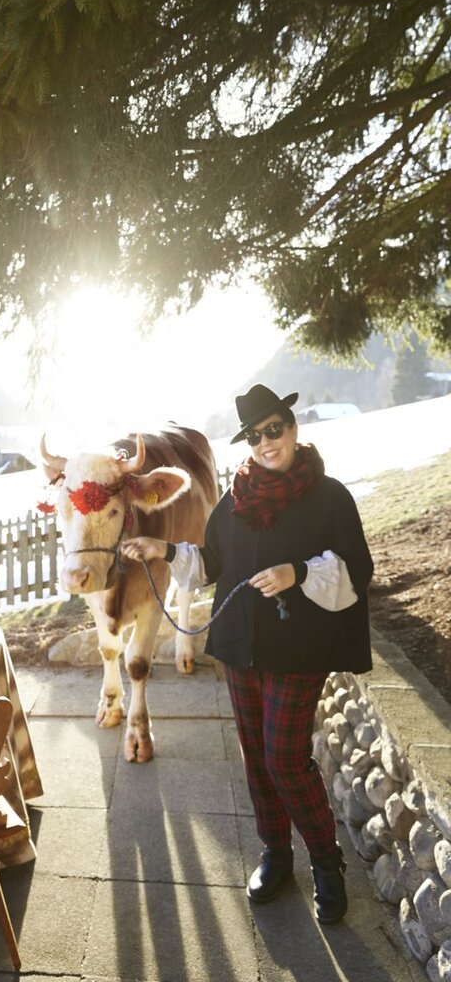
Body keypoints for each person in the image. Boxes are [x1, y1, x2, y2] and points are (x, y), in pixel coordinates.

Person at [122, 383, 373, 924]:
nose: (266, 443)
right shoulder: (235, 501)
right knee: (255, 756)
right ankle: (275, 853)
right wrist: (160, 549)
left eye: (274, 429)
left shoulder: (330, 498)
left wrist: (298, 572)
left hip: (299, 649)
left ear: (293, 426)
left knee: (286, 759)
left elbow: (356, 571)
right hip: (240, 647)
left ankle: (327, 864)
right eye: (254, 436)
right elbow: (211, 562)